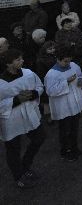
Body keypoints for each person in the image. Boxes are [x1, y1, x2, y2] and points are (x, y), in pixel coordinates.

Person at [0, 49, 46, 189]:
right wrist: (16, 100)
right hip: (11, 119)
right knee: (14, 148)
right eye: (18, 60)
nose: (22, 61)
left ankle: (25, 165)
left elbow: (39, 86)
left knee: (40, 137)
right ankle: (19, 176)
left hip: (29, 113)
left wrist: (33, 93)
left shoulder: (28, 73)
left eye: (21, 58)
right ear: (8, 63)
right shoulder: (1, 83)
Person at [43, 46, 82, 162]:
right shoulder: (51, 74)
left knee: (74, 128)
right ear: (58, 59)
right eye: (65, 61)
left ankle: (74, 148)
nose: (68, 64)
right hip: (63, 106)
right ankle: (65, 151)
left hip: (75, 102)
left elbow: (80, 75)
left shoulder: (74, 66)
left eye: (69, 60)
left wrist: (81, 80)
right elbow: (50, 91)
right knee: (65, 130)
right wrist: (66, 81)